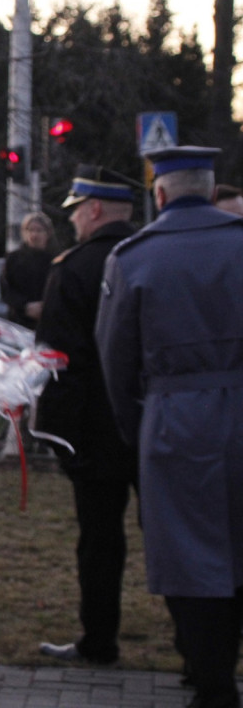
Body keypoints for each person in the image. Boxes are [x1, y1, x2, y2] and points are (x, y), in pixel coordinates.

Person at [96, 146, 243, 708]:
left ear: (158, 193)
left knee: (190, 556)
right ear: (210, 190)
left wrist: (140, 430)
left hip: (175, 421)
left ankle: (211, 682)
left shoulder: (135, 257)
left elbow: (115, 360)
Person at [34, 165, 139, 666]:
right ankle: (199, 654)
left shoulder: (72, 268)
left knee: (99, 543)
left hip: (95, 436)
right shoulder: (149, 257)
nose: (73, 221)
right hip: (158, 424)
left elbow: (58, 363)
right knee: (180, 536)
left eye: (76, 211)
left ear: (93, 210)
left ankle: (100, 640)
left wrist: (58, 438)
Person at [0, 211, 56, 328]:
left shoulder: (56, 260)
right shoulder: (13, 259)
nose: (34, 235)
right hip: (19, 322)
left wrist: (45, 306)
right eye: (30, 230)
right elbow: (6, 289)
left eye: (39, 230)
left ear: (48, 233)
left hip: (50, 322)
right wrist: (25, 306)